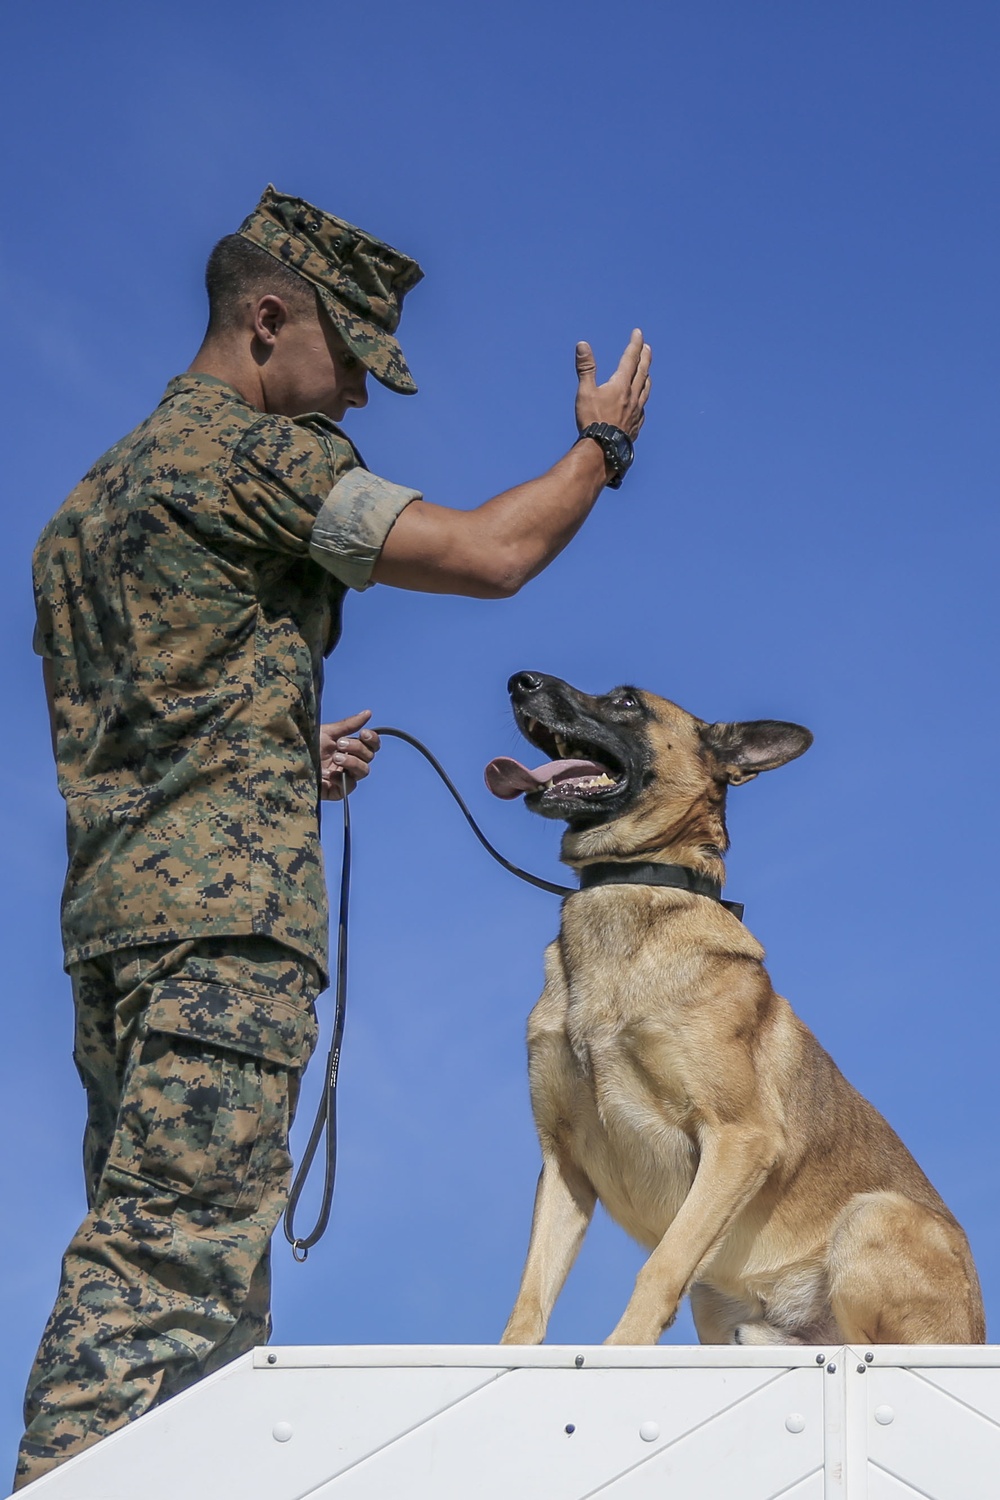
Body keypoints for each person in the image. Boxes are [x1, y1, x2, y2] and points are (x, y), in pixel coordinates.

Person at [17, 185, 651, 1488]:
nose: (356, 398)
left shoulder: (84, 512)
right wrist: (600, 451)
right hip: (223, 940)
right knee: (169, 1265)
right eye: (349, 359)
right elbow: (487, 555)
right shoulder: (253, 455)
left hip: (116, 937)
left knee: (200, 1283)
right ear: (265, 319)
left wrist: (275, 763)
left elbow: (146, 724)